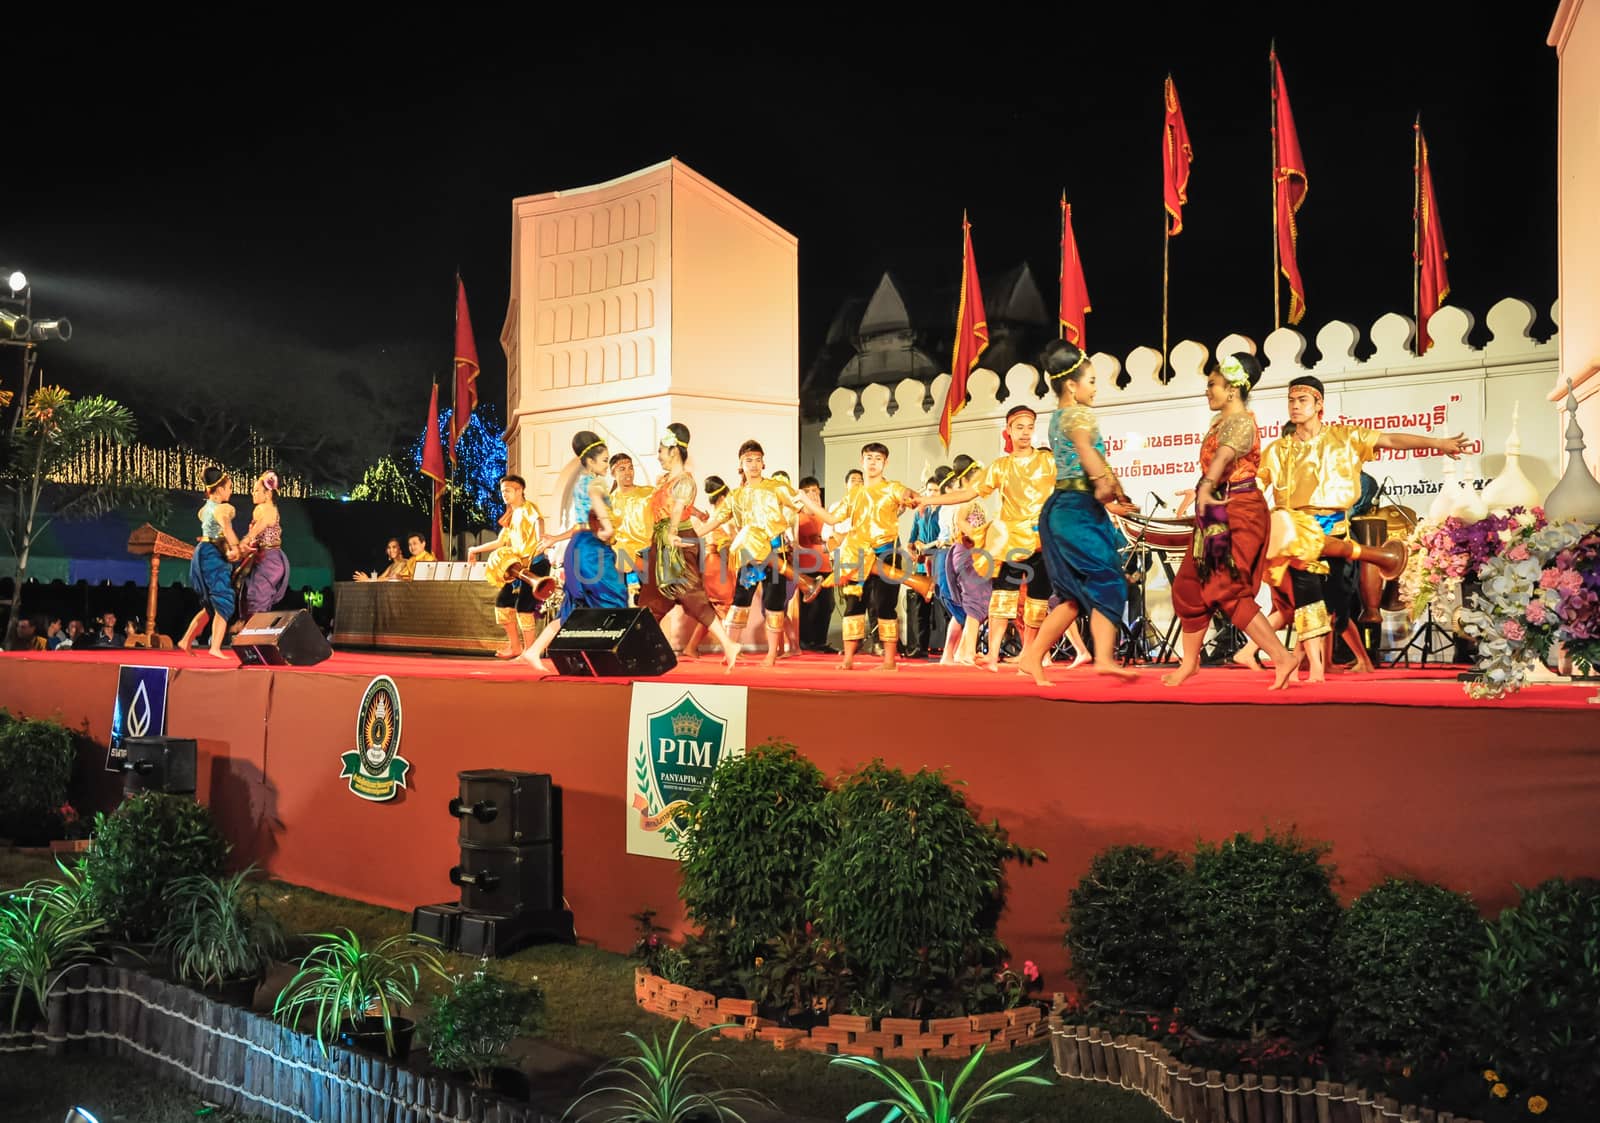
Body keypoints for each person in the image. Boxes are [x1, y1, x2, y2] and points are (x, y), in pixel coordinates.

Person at [1249, 374, 1467, 682]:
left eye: (1302, 400)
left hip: (1336, 530)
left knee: (1336, 608)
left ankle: (1311, 665)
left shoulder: (1346, 437)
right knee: (1308, 601)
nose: (1295, 407)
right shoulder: (1277, 450)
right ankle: (1309, 670)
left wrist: (1438, 444)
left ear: (1318, 404)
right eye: (1291, 401)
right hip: (1296, 534)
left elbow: (1391, 440)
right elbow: (1253, 487)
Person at [1161, 354, 1301, 691]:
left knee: (1225, 586)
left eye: (1212, 384)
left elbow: (1224, 457)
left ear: (1233, 389)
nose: (1207, 391)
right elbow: (1218, 465)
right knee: (1189, 587)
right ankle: (1190, 662)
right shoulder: (1222, 422)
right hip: (1216, 511)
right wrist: (1200, 491)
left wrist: (1207, 486)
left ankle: (1282, 657)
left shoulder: (1240, 422)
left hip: (1239, 511)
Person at [1017, 341, 1139, 685]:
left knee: (1072, 597)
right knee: (1109, 580)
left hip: (1068, 507)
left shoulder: (1059, 417)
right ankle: (1102, 658)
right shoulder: (1078, 413)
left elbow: (1081, 468)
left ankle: (1032, 658)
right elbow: (1087, 452)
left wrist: (1109, 499)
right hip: (1075, 511)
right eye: (1092, 381)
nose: (1096, 389)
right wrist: (1105, 485)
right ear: (1072, 385)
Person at [919, 406, 1057, 671]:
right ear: (1008, 431)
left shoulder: (1048, 461)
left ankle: (1030, 656)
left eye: (1030, 427)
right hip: (1012, 542)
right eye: (1020, 427)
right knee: (1002, 598)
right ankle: (992, 654)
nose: (1025, 432)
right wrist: (929, 499)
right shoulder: (1000, 467)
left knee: (1037, 602)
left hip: (1043, 539)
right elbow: (967, 494)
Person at [694, 440, 829, 669]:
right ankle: (730, 651)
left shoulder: (776, 487)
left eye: (757, 459)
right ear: (741, 464)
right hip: (750, 558)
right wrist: (692, 532)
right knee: (739, 602)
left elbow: (802, 507)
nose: (754, 465)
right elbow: (716, 519)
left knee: (773, 604)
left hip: (775, 551)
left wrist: (815, 506)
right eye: (749, 460)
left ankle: (771, 655)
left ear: (763, 462)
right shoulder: (736, 496)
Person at [521, 432, 630, 671]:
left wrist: (555, 538)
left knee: (576, 608)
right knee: (613, 597)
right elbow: (598, 506)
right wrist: (608, 527)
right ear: (590, 461)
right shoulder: (594, 483)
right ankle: (613, 657)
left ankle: (535, 650)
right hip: (591, 550)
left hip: (578, 546)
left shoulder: (581, 481)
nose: (606, 465)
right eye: (604, 460)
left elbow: (578, 525)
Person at [636, 423, 739, 670]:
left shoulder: (684, 481)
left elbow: (678, 511)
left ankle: (728, 643)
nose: (659, 455)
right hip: (661, 543)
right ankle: (642, 651)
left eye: (661, 450)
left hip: (678, 543)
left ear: (673, 451)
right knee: (652, 600)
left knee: (692, 597)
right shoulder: (666, 480)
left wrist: (671, 533)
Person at [826, 442, 922, 672]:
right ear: (862, 461)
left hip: (885, 554)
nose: (873, 462)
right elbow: (831, 520)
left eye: (878, 459)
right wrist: (806, 502)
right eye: (869, 458)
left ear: (885, 463)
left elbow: (907, 494)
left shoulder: (892, 488)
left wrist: (913, 496)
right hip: (857, 555)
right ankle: (848, 659)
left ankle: (889, 661)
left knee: (884, 606)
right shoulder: (853, 495)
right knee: (852, 605)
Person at [466, 475, 552, 658]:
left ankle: (531, 652)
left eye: (508, 490)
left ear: (519, 490)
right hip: (517, 569)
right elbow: (499, 542)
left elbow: (539, 521)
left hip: (534, 565)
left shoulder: (529, 508)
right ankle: (515, 647)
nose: (504, 493)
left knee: (523, 607)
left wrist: (541, 538)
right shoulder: (511, 515)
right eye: (502, 490)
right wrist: (474, 549)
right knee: (503, 603)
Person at [178, 467, 242, 660]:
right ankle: (215, 647)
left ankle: (186, 640)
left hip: (203, 551)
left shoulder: (205, 509)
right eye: (229, 487)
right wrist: (236, 548)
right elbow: (226, 528)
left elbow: (213, 534)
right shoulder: (223, 508)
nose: (230, 491)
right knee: (224, 599)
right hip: (212, 556)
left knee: (210, 606)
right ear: (220, 489)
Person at [680, 475, 735, 661]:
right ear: (721, 498)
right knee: (726, 606)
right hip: (719, 563)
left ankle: (691, 646)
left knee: (712, 610)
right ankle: (731, 647)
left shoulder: (709, 517)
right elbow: (728, 542)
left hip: (710, 564)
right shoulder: (722, 517)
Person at [236, 471, 292, 618]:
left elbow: (256, 531)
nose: (252, 493)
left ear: (268, 494)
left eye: (256, 490)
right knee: (252, 599)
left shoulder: (267, 510)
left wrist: (243, 543)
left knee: (257, 601)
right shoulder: (263, 509)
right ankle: (253, 636)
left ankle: (257, 637)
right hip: (263, 558)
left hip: (269, 561)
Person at [794, 476, 838, 654]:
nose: (814, 495)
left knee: (827, 605)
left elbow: (834, 537)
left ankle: (820, 641)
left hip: (826, 566)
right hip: (806, 566)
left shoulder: (825, 515)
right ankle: (805, 640)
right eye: (809, 492)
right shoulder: (798, 517)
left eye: (816, 491)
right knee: (810, 606)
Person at [607, 452, 656, 603]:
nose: (628, 473)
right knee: (624, 603)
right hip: (621, 558)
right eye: (622, 469)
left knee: (650, 603)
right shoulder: (608, 501)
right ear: (613, 473)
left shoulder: (649, 493)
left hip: (647, 554)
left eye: (630, 468)